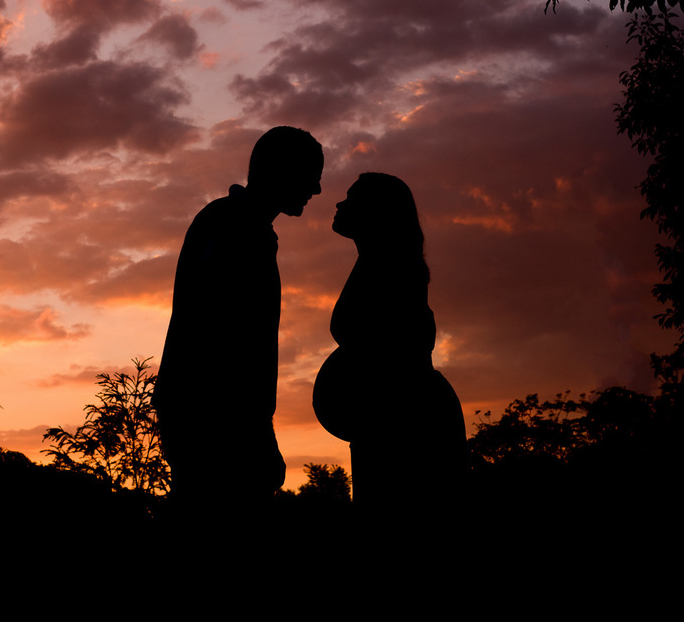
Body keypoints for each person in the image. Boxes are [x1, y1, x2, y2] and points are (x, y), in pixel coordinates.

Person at [154, 126, 324, 516]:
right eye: (311, 174)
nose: (316, 189)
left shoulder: (236, 224)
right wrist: (254, 432)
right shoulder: (236, 227)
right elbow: (226, 338)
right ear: (282, 170)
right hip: (215, 424)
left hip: (210, 418)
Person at [313, 173, 466, 511]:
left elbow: (394, 357)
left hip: (403, 429)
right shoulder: (377, 265)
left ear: (375, 211)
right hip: (381, 425)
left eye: (351, 198)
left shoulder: (393, 274)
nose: (339, 203)